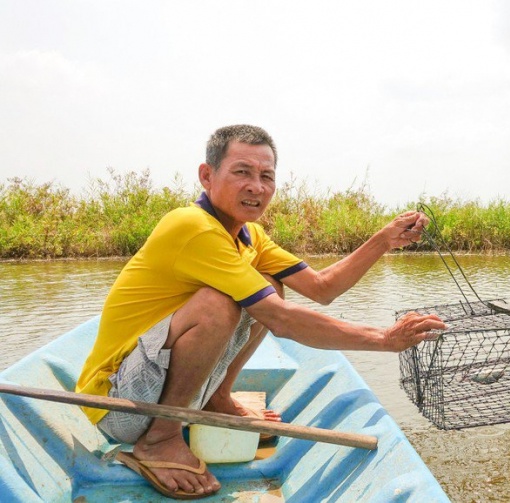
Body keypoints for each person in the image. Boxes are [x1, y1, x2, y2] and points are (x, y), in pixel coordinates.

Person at [75, 124, 445, 499]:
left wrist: (383, 240)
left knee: (270, 282)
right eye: (242, 172)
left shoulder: (249, 235)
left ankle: (217, 398)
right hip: (120, 404)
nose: (256, 186)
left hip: (164, 392)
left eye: (266, 176)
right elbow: (281, 319)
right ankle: (160, 440)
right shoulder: (193, 227)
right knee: (219, 305)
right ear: (207, 176)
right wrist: (383, 339)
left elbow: (321, 287)